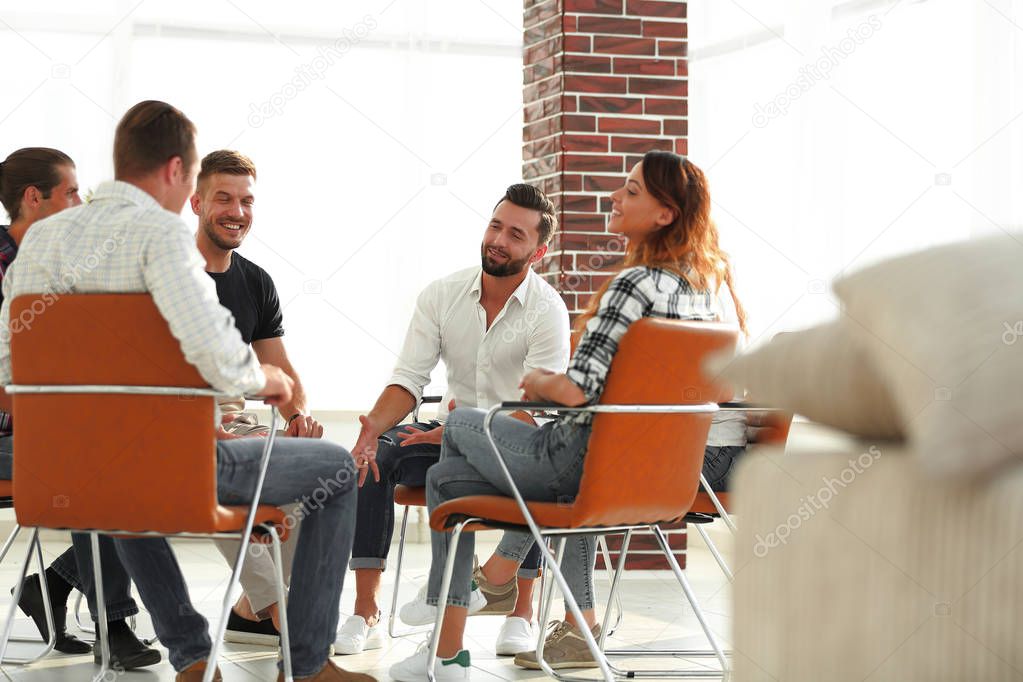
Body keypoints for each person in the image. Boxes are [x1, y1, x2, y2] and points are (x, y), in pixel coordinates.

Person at [0, 101, 373, 682]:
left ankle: (196, 658)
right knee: (335, 471)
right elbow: (221, 359)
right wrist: (271, 382)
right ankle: (306, 663)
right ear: (177, 171)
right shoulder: (161, 237)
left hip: (60, 474)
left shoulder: (41, 243)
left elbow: (7, 369)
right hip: (167, 465)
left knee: (124, 491)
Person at [389, 150, 749, 680]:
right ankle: (504, 603)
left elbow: (577, 393)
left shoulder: (634, 285)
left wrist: (536, 383)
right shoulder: (701, 289)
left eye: (630, 191)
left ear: (664, 213)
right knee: (454, 472)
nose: (615, 198)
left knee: (462, 427)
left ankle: (450, 646)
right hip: (667, 462)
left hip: (595, 465)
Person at [343, 184, 570, 657]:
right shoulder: (443, 294)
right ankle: (367, 609)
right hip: (445, 435)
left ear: (538, 251)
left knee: (533, 469)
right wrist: (371, 429)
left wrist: (468, 429)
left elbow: (539, 411)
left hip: (512, 443)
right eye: (495, 226)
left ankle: (518, 610)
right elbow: (408, 378)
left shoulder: (548, 311)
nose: (498, 240)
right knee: (376, 456)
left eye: (515, 235)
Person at [0, 147, 162, 669]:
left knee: (149, 470)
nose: (81, 202)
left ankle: (51, 584)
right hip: (12, 437)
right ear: (34, 199)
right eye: (72, 192)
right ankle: (111, 624)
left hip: (60, 430)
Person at [187, 149, 326, 647]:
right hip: (175, 427)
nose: (237, 212)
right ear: (195, 202)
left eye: (246, 201)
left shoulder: (255, 281)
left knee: (313, 474)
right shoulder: (169, 274)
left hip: (237, 421)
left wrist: (300, 417)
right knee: (222, 470)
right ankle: (281, 617)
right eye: (223, 198)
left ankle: (253, 612)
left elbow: (281, 371)